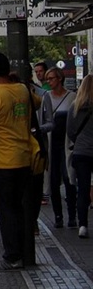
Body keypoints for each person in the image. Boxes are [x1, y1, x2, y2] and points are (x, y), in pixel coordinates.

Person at [0, 52, 42, 271]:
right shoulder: (22, 91)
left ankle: (12, 256)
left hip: (1, 162)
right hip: (24, 159)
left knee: (6, 211)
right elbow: (38, 103)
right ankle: (24, 252)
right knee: (20, 208)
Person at [40, 67, 76, 228]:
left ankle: (72, 215)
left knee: (69, 179)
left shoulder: (71, 97)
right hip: (52, 144)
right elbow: (43, 121)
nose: (49, 82)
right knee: (53, 182)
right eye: (47, 79)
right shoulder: (46, 97)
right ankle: (58, 216)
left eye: (51, 78)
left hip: (67, 144)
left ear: (59, 79)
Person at [67, 74, 93, 238]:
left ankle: (82, 224)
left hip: (81, 152)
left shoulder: (74, 107)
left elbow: (70, 131)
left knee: (82, 189)